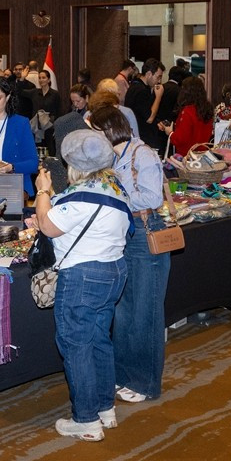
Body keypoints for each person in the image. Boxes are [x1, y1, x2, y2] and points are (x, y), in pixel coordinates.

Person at [33, 129, 131, 442]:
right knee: (99, 339)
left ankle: (86, 419)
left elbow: (48, 226)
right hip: (114, 272)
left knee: (76, 344)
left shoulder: (79, 198)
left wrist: (42, 192)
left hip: (83, 276)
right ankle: (105, 408)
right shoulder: (116, 192)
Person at [88, 105, 170, 405]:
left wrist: (112, 193)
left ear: (108, 129)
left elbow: (152, 197)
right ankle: (123, 376)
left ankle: (145, 382)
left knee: (145, 313)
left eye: (95, 131)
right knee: (122, 312)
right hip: (122, 232)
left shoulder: (142, 153)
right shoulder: (112, 156)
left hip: (144, 230)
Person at [159, 76, 214, 156]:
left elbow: (180, 139)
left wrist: (170, 132)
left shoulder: (187, 111)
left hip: (186, 156)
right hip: (202, 154)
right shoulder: (207, 109)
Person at [124, 59, 167, 154]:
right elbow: (149, 118)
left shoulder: (135, 86)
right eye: (158, 77)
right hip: (144, 138)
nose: (159, 81)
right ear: (148, 74)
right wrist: (158, 97)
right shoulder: (141, 91)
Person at [53, 84, 93, 149]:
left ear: (87, 98)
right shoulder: (73, 110)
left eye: (78, 101)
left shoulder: (92, 113)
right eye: (72, 101)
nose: (75, 104)